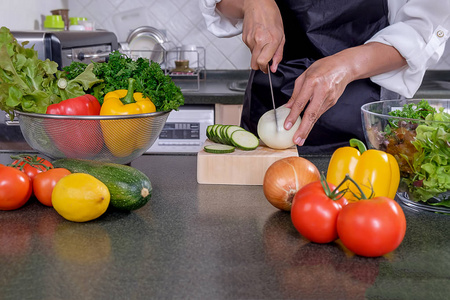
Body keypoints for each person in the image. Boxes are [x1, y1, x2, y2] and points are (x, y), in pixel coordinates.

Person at [200, 0, 450, 153]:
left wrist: (346, 66)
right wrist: (251, 1)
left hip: (364, 118)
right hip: (271, 100)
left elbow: (423, 29)